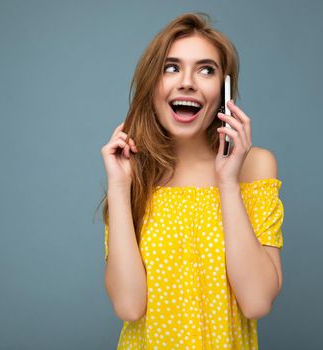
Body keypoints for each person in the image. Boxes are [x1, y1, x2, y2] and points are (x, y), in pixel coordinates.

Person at [99, 12, 284, 349]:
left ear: (224, 90)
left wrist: (228, 181)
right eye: (171, 68)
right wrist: (118, 186)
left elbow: (257, 301)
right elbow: (128, 306)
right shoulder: (132, 172)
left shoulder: (255, 166)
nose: (187, 82)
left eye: (206, 69)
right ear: (152, 84)